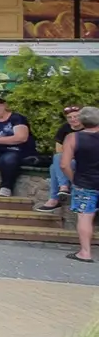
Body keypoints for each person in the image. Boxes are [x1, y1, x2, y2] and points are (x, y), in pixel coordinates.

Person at [63, 106, 99, 263]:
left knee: (85, 217)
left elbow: (64, 164)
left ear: (82, 121)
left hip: (85, 182)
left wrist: (74, 180)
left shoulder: (73, 138)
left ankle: (85, 252)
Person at [34, 106, 82, 211]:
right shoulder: (65, 128)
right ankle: (61, 191)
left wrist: (69, 154)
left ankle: (56, 196)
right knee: (55, 163)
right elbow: (59, 149)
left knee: (56, 163)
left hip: (83, 159)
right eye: (69, 117)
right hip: (68, 158)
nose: (73, 119)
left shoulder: (89, 128)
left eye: (76, 116)